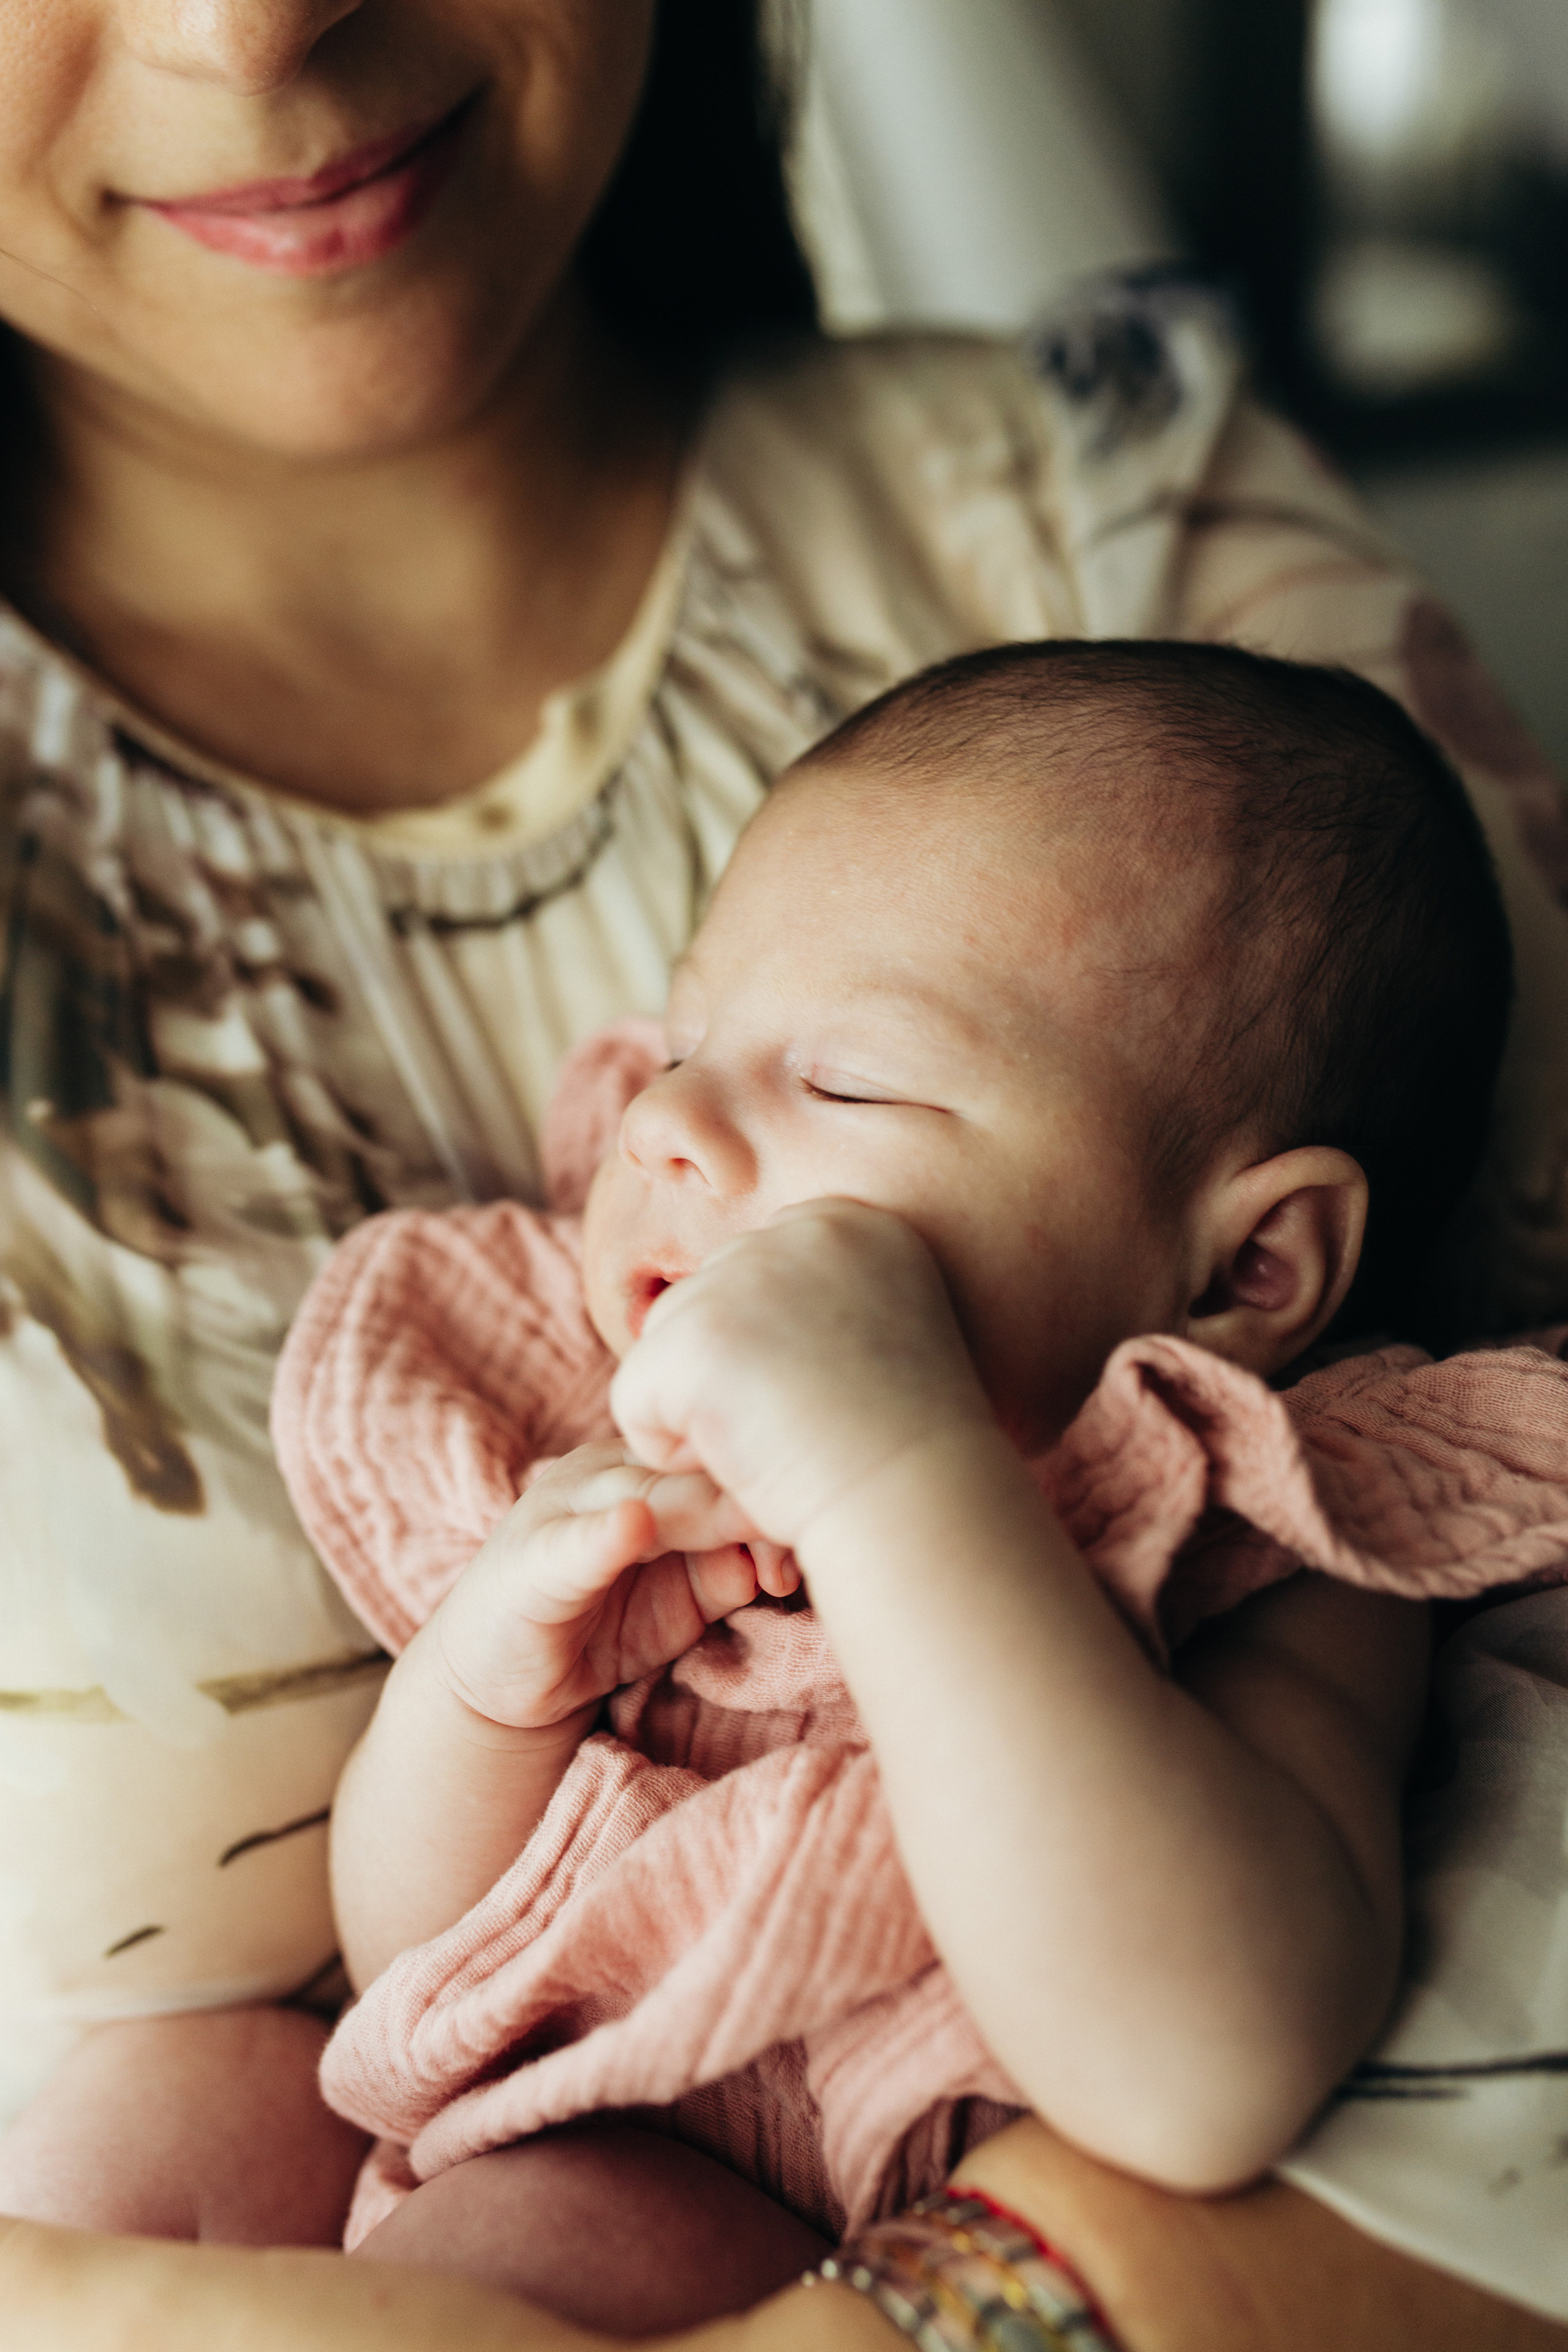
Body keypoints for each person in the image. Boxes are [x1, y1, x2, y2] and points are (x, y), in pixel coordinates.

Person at [2, 4, 1567, 2345]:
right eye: (681, 1052)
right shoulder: (594, 1419)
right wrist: (495, 1685)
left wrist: (914, 1486)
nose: (251, 29)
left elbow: (1205, 2055)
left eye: (844, 1088)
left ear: (1258, 1267)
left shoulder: (1267, 1522)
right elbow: (436, 1965)